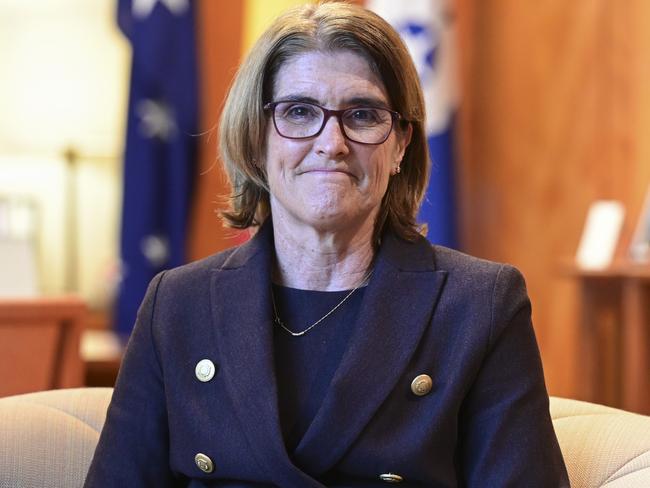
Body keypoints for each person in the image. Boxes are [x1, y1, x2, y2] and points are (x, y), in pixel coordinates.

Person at [85, 2, 569, 486]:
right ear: (256, 138)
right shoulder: (176, 305)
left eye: (362, 114)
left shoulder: (480, 305)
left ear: (400, 144)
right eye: (299, 112)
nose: (332, 142)